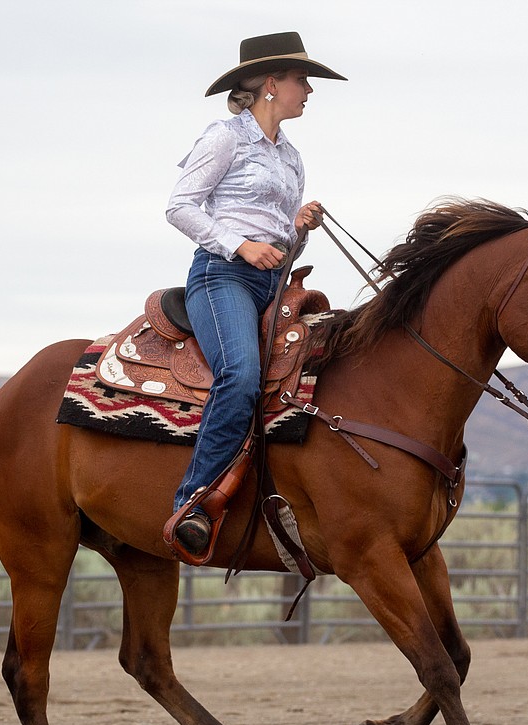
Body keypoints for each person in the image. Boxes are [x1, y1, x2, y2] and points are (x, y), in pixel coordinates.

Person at [165, 31, 345, 555]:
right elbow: (180, 206)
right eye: (301, 80)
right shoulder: (225, 137)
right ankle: (193, 503)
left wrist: (298, 226)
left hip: (272, 281)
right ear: (272, 83)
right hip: (220, 276)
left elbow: (278, 239)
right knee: (241, 375)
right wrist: (240, 244)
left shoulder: (291, 158)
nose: (309, 90)